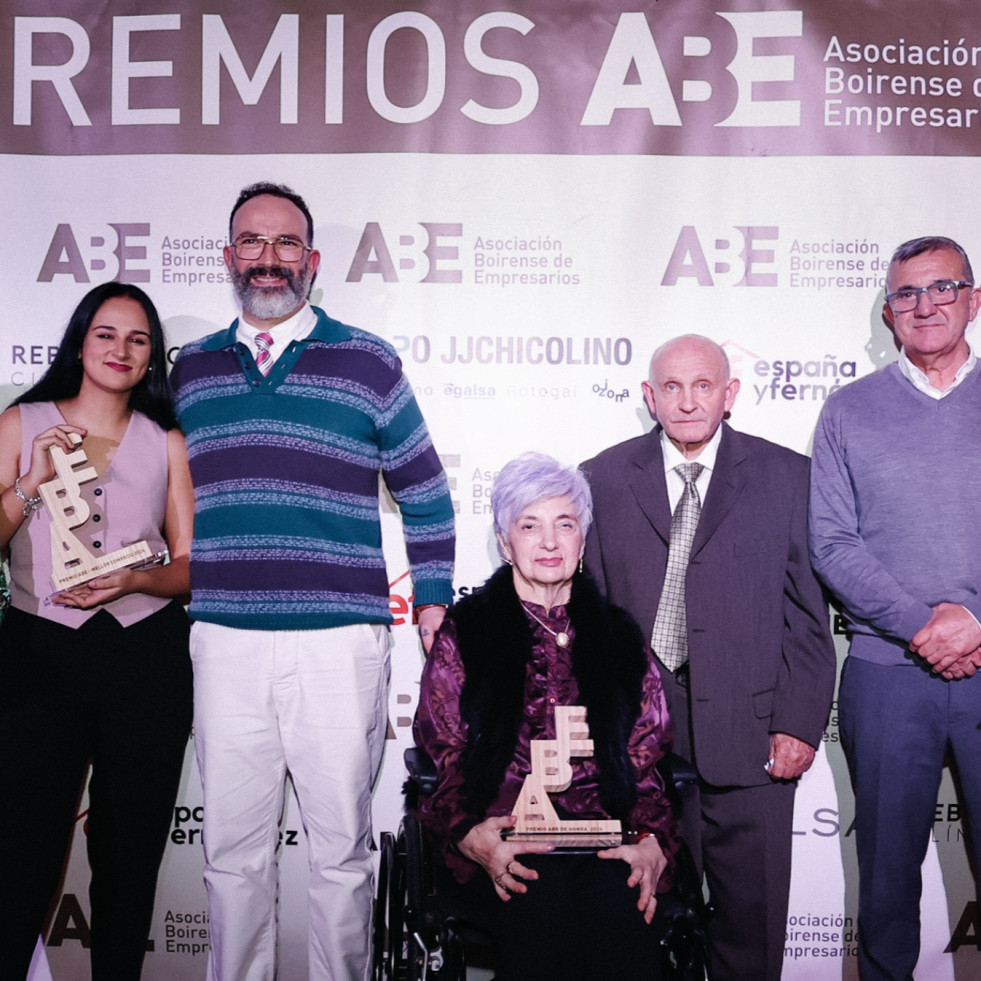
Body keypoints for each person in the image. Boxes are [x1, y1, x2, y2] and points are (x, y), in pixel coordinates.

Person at [170, 181, 455, 981]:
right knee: (231, 855)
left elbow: (427, 491)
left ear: (313, 260)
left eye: (286, 243)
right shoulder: (188, 370)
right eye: (253, 243)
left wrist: (431, 597)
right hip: (223, 637)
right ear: (229, 257)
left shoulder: (366, 360)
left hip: (339, 640)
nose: (269, 259)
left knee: (339, 853)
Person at [580, 334, 836, 980]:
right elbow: (591, 620)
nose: (687, 400)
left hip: (752, 742)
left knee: (750, 933)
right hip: (641, 751)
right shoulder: (601, 478)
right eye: (671, 386)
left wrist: (799, 720)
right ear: (648, 396)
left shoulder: (787, 477)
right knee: (643, 930)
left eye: (702, 386)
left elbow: (809, 614)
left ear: (730, 394)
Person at [414, 452, 677, 981]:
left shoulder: (618, 636)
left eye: (565, 524)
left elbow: (648, 754)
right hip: (506, 842)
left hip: (607, 844)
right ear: (505, 541)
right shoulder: (467, 632)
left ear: (583, 539)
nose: (550, 541)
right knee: (545, 917)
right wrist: (469, 834)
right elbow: (442, 752)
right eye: (529, 526)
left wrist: (651, 842)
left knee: (628, 927)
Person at [0, 282, 194, 981]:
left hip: (145, 657)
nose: (121, 349)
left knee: (130, 851)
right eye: (107, 333)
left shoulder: (166, 439)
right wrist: (30, 482)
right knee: (21, 848)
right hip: (37, 653)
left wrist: (139, 579)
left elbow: (190, 565)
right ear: (81, 341)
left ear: (151, 359)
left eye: (138, 339)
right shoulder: (23, 424)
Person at [809, 235, 981, 981]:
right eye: (907, 294)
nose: (925, 305)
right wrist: (921, 623)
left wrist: (976, 623)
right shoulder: (848, 411)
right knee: (883, 882)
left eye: (942, 287)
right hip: (885, 672)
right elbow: (830, 543)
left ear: (973, 299)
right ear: (888, 312)